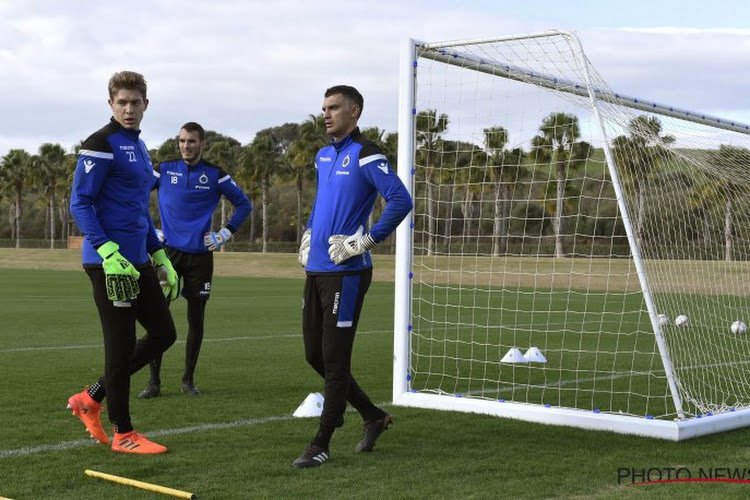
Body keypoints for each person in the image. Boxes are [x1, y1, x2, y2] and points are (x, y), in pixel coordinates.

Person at [293, 85, 413, 468]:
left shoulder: (367, 153)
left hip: (346, 273)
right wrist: (310, 231)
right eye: (323, 108)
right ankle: (373, 415)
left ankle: (322, 440)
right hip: (317, 268)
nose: (326, 114)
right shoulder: (324, 155)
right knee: (315, 355)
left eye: (334, 108)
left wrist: (366, 240)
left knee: (334, 358)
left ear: (354, 111)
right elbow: (322, 203)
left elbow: (400, 199)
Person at [67, 70, 179, 454]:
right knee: (121, 345)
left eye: (135, 102)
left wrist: (159, 251)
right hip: (109, 264)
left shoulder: (140, 147)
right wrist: (106, 250)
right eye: (122, 102)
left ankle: (90, 397)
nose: (129, 109)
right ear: (111, 103)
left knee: (164, 333)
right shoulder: (100, 143)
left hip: (137, 259)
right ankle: (123, 433)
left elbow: (137, 210)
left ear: (146, 105)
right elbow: (79, 201)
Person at [137, 121, 252, 399]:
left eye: (191, 141)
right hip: (168, 255)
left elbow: (244, 204)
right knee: (157, 318)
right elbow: (137, 195)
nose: (186, 146)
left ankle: (188, 380)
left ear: (202, 144)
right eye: (182, 141)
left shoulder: (215, 175)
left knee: (196, 319)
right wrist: (150, 229)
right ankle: (153, 383)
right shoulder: (164, 170)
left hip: (201, 257)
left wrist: (226, 232)